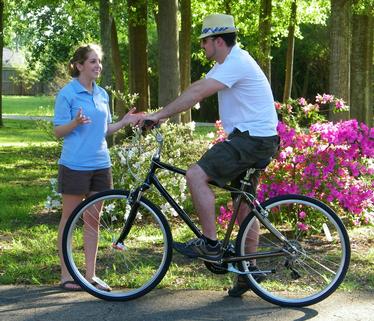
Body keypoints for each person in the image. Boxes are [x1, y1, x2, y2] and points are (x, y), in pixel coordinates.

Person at [142, 14, 279, 297]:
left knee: (195, 175)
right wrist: (164, 115)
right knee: (244, 208)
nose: (202, 46)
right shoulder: (229, 63)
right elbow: (196, 90)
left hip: (251, 139)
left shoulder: (236, 62)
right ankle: (248, 272)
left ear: (218, 40)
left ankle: (211, 245)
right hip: (256, 138)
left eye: (204, 40)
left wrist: (159, 115)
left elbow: (197, 92)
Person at [54, 44, 142, 291]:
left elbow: (104, 129)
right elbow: (58, 131)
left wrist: (124, 122)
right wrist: (75, 122)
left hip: (101, 165)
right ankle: (66, 275)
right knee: (69, 219)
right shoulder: (68, 94)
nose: (98, 66)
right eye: (92, 61)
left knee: (94, 220)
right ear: (79, 65)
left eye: (99, 61)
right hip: (74, 165)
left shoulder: (102, 94)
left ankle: (90, 276)